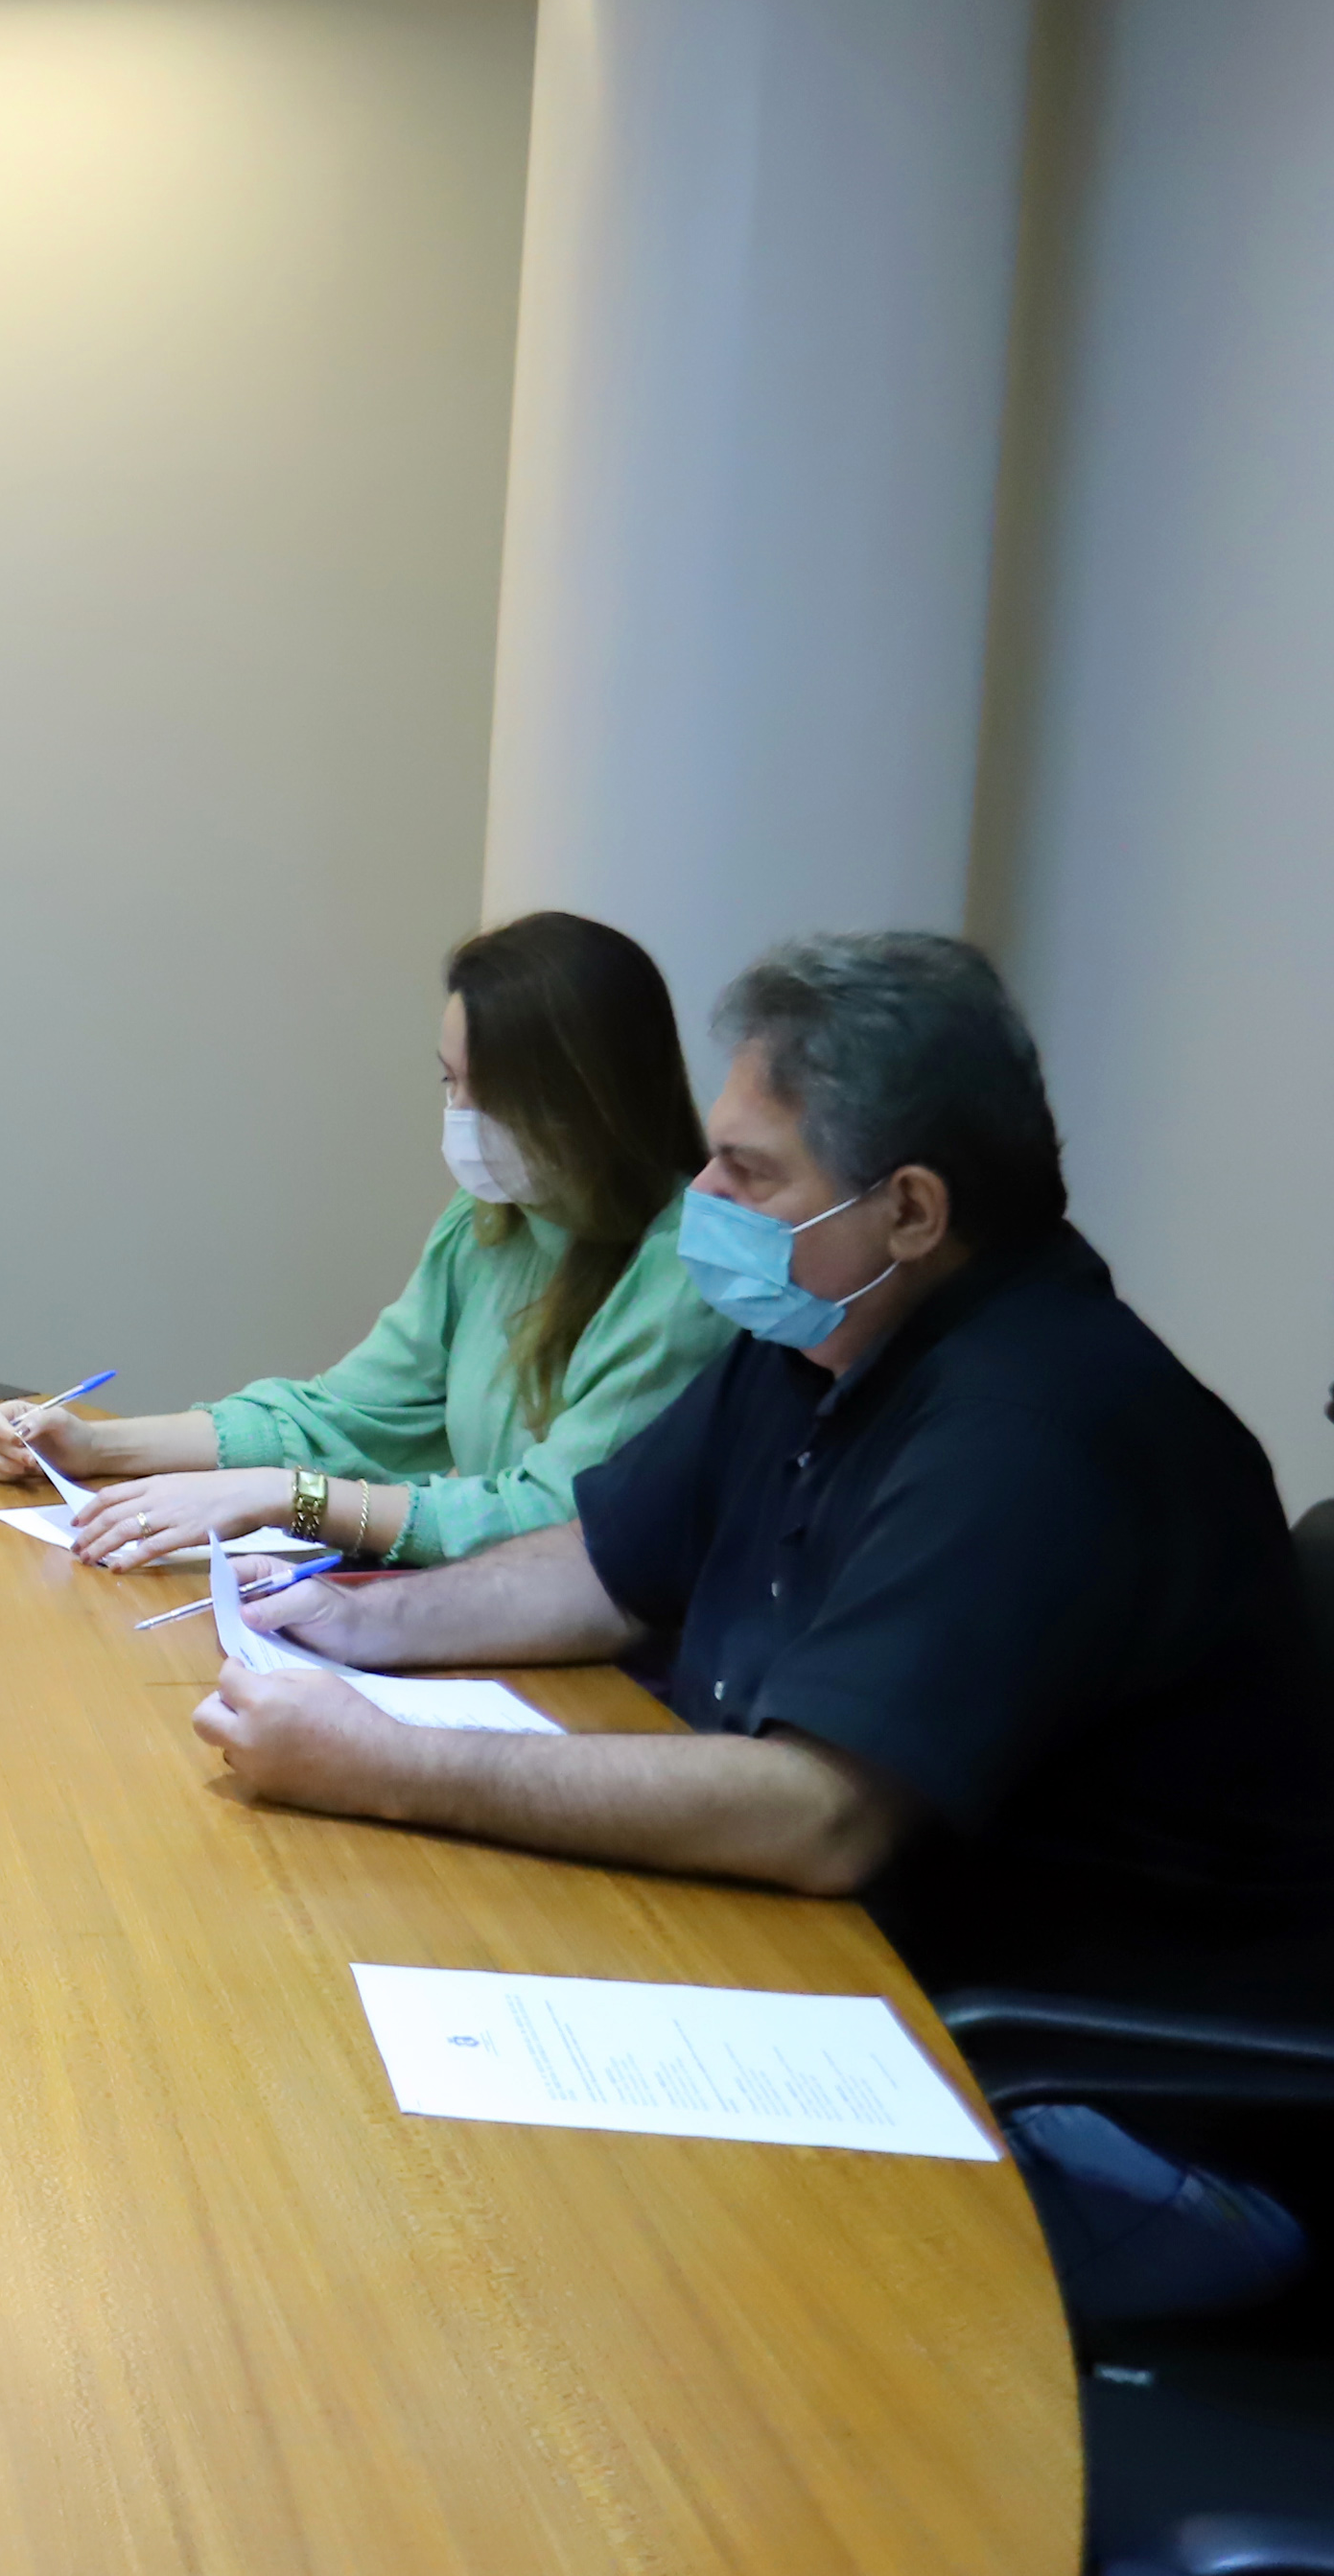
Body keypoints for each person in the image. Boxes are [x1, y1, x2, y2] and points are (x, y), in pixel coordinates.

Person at [195, 933, 1334, 2326]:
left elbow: (817, 1813)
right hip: (860, 2004)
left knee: (537, 2260)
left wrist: (385, 1764)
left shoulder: (1035, 1426)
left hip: (1100, 2107)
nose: (700, 1202)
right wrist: (354, 1628)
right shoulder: (820, 1337)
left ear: (907, 1208)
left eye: (747, 1171)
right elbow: (606, 1564)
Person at [0, 912, 732, 1570]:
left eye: (492, 1091)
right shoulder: (490, 1221)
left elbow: (550, 1522)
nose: (462, 1115)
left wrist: (292, 1498)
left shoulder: (681, 1277)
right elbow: (345, 1415)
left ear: (591, 1094)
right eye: (450, 1082)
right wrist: (96, 1448)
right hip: (482, 1611)